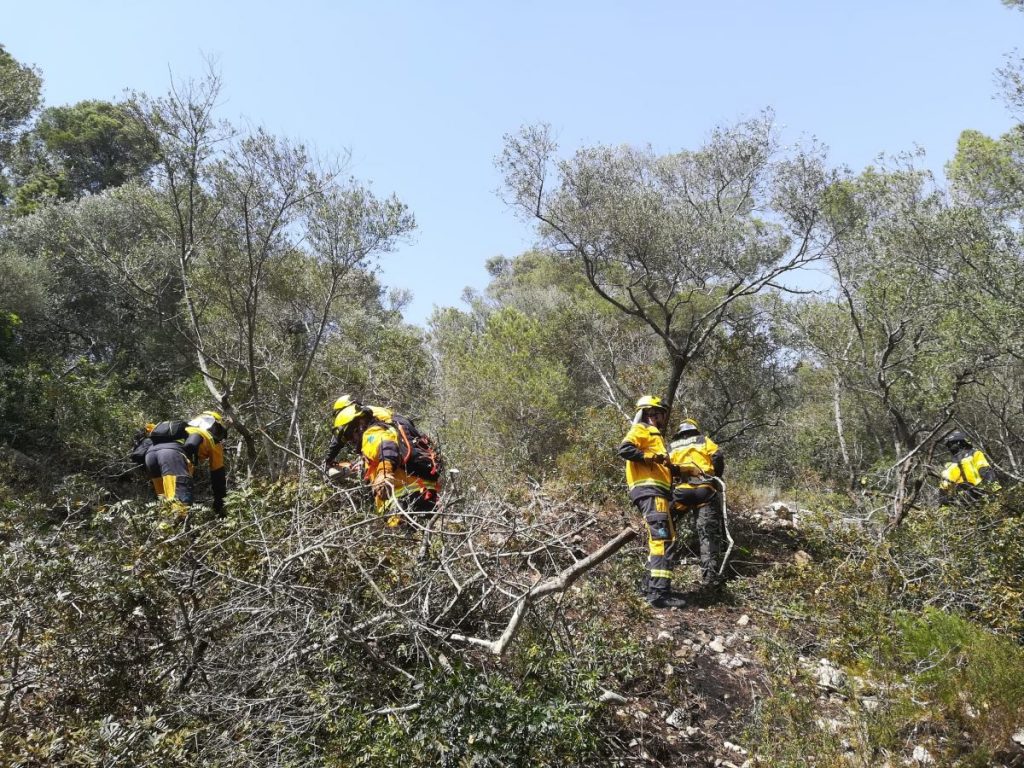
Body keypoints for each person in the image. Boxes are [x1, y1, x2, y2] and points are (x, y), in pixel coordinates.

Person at [617, 395, 685, 609]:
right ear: (652, 413)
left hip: (656, 492)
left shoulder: (654, 436)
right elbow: (625, 449)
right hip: (650, 491)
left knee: (664, 538)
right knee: (662, 540)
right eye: (661, 413)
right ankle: (658, 593)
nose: (664, 417)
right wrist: (650, 458)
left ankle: (650, 587)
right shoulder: (642, 429)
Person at [331, 403, 441, 524]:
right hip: (424, 493)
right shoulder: (384, 429)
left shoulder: (371, 433)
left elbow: (387, 447)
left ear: (359, 425)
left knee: (402, 541)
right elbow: (378, 457)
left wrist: (385, 473)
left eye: (349, 435)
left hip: (405, 501)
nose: (351, 441)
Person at [668, 418, 725, 589]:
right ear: (695, 429)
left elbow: (666, 467)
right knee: (708, 535)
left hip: (681, 492)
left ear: (680, 431)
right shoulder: (704, 440)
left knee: (666, 525)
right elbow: (717, 456)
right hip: (704, 491)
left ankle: (662, 570)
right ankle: (710, 580)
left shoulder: (672, 446)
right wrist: (716, 477)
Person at [142, 411, 229, 514]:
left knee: (165, 501)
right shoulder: (211, 440)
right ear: (215, 426)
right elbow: (218, 476)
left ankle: (164, 527)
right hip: (172, 456)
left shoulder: (185, 430)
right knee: (180, 504)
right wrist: (220, 506)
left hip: (150, 455)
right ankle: (178, 526)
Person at [323, 393, 394, 472]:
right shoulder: (368, 412)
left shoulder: (369, 423)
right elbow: (339, 441)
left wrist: (328, 459)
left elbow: (384, 446)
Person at [939, 430, 999, 504]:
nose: (950, 447)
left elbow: (985, 471)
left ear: (959, 442)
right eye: (949, 445)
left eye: (951, 444)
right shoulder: (949, 466)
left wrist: (995, 491)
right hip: (963, 500)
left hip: (979, 494)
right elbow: (944, 488)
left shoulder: (974, 454)